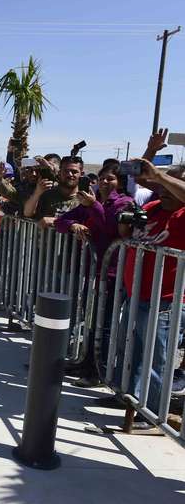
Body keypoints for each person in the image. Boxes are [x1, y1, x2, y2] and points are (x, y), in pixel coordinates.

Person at [107, 161, 185, 420]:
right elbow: (128, 234)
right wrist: (125, 223)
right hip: (135, 292)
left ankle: (152, 414)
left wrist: (161, 175)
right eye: (161, 183)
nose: (162, 188)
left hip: (164, 301)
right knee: (129, 349)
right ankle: (128, 398)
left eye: (171, 183)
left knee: (155, 360)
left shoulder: (183, 215)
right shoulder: (151, 208)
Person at [54, 160, 134, 387]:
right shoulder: (93, 202)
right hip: (92, 271)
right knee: (90, 319)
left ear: (120, 182)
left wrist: (94, 207)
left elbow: (112, 228)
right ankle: (85, 362)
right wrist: (73, 226)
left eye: (111, 179)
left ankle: (99, 372)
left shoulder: (124, 203)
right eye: (102, 179)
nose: (105, 182)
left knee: (105, 323)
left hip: (113, 273)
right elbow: (61, 221)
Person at [23, 156, 82, 227]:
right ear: (59, 172)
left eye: (74, 172)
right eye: (66, 171)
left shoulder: (85, 199)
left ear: (81, 174)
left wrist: (55, 220)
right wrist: (37, 193)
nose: (69, 174)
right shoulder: (47, 195)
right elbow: (28, 213)